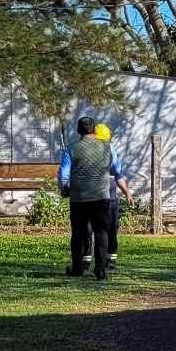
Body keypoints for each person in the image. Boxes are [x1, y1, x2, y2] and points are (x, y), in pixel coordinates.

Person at [58, 116, 117, 279]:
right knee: (101, 232)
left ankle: (77, 268)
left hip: (79, 198)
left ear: (78, 131)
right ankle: (100, 268)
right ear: (94, 130)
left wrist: (65, 188)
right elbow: (115, 168)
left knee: (78, 233)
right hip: (101, 197)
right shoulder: (108, 147)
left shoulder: (71, 148)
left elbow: (63, 176)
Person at [93, 123, 133, 264]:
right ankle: (101, 260)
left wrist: (127, 193)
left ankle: (110, 258)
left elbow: (117, 173)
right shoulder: (98, 151)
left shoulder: (110, 150)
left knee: (110, 228)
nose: (103, 144)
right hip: (104, 197)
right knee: (102, 230)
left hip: (109, 197)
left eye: (104, 141)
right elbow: (118, 173)